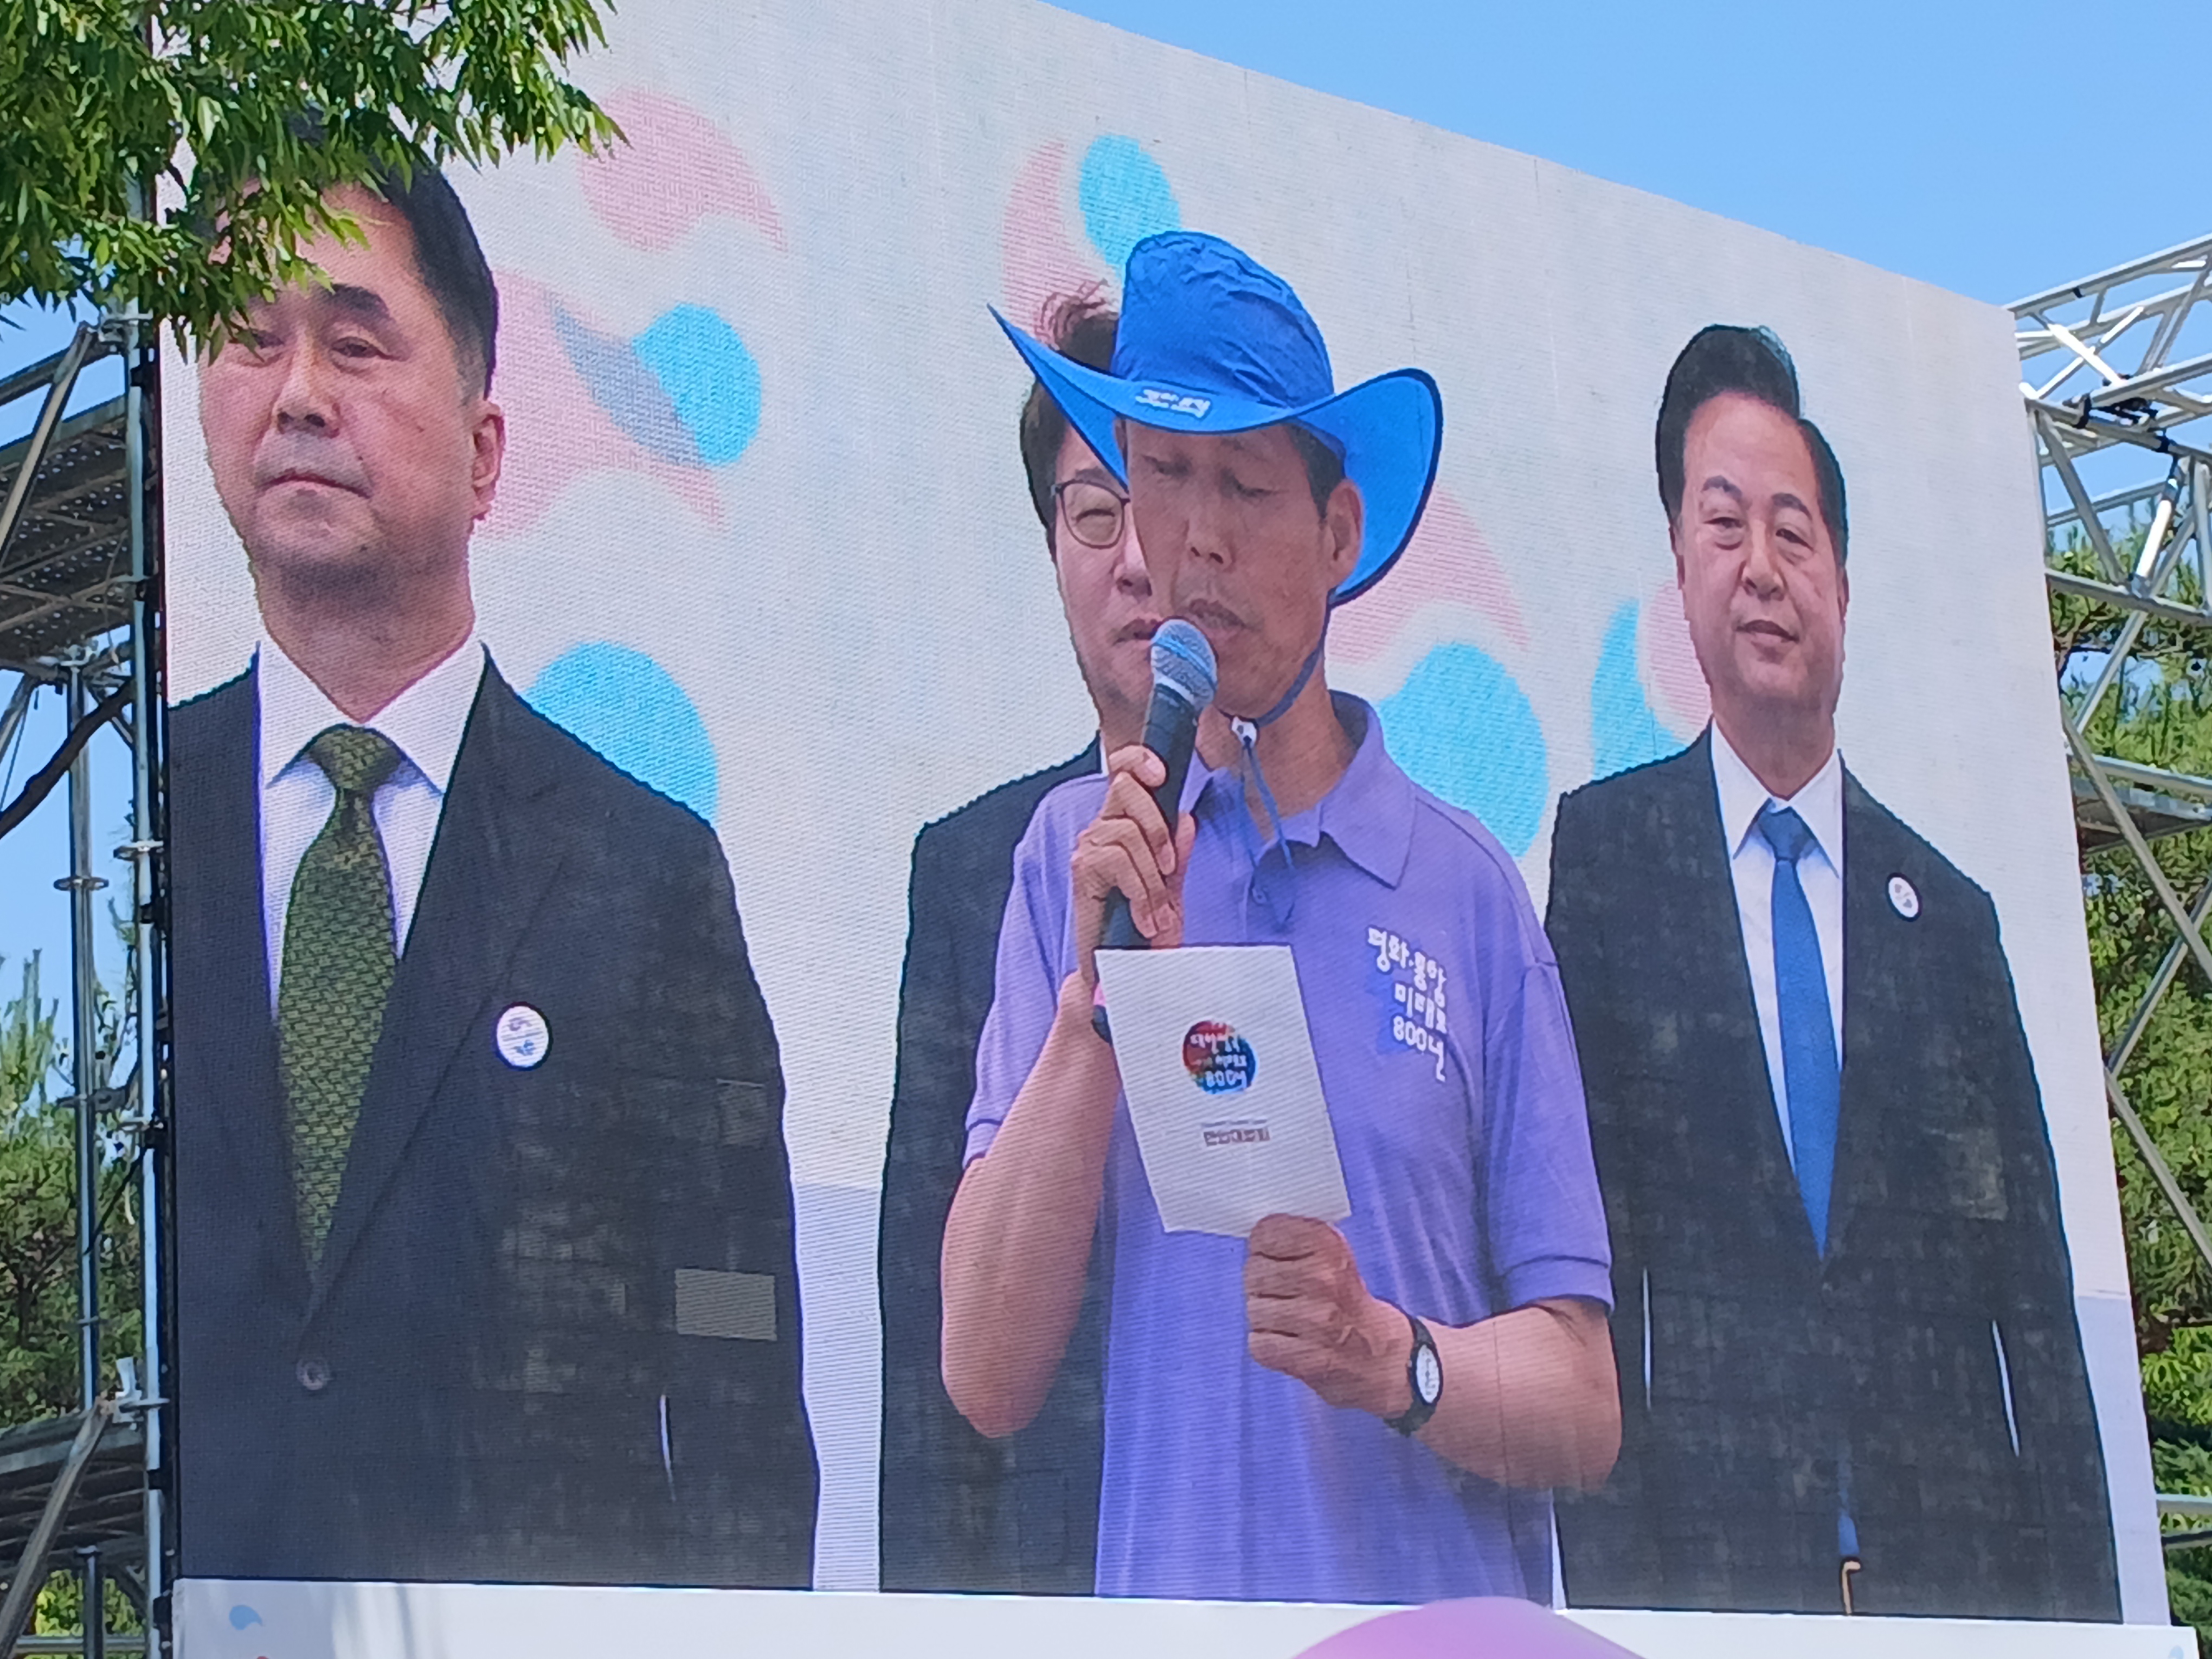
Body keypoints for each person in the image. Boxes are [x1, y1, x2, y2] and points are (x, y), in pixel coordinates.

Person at [940, 230, 1618, 1605]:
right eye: (1160, 477)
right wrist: (1092, 1015)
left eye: (1246, 485)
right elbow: (985, 1373)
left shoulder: (1467, 893)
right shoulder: (1073, 856)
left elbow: (1585, 1403)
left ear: (1340, 533)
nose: (1195, 539)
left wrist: (1396, 1359)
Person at [169, 156, 819, 1586]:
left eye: (354, 342)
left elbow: (732, 1349)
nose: (298, 395)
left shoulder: (643, 870)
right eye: (251, 339)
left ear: (485, 451)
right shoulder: (124, 826)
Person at [1547, 324, 2119, 1620]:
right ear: (1681, 570)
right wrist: (1621, 1611)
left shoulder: (1951, 922)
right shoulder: (1611, 862)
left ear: (1844, 586)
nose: (1762, 568)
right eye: (1724, 527)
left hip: (1961, 1597)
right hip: (1712, 1593)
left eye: (1793, 533)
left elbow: (2035, 1310)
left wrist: (2083, 1629)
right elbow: (1589, 1270)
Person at [878, 291, 1157, 1593]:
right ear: (1052, 549)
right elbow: (919, 1320)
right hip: (1048, 1583)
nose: (1137, 559)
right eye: (1094, 515)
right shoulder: (974, 869)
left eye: (1168, 505)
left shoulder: (1349, 866)